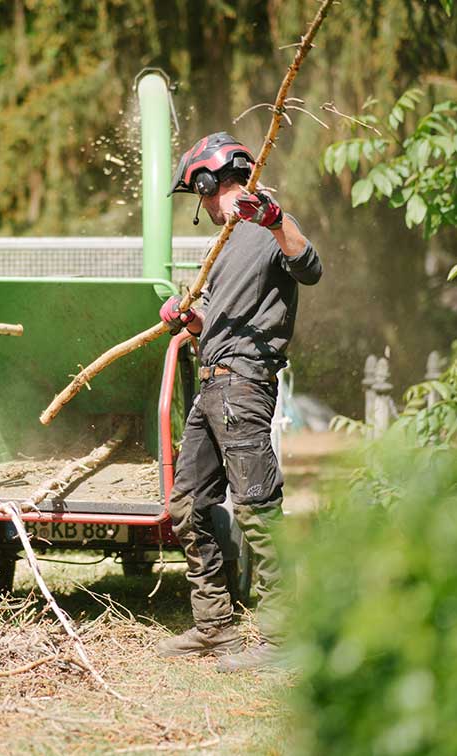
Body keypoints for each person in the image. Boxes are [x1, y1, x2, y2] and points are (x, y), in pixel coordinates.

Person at [155, 132, 322, 671]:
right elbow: (215, 322)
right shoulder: (224, 243)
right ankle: (216, 628)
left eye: (199, 193)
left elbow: (310, 267)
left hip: (244, 384)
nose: (201, 205)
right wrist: (189, 318)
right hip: (213, 383)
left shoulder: (268, 226)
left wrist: (272, 218)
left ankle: (282, 638)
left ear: (209, 181)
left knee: (257, 510)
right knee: (186, 506)